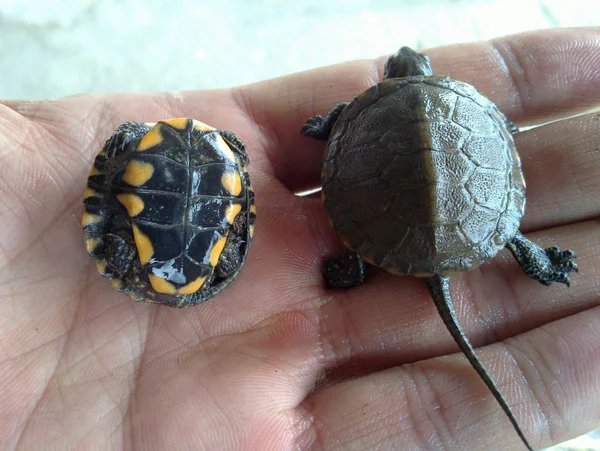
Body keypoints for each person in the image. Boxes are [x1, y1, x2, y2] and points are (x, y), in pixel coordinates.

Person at [0, 26, 598, 450]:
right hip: (467, 216)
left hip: (358, 213)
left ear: (391, 74)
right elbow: (495, 126)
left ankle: (368, 265)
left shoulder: (365, 110)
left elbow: (331, 130)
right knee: (505, 229)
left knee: (391, 244)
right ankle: (533, 258)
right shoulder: (472, 103)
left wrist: (330, 128)